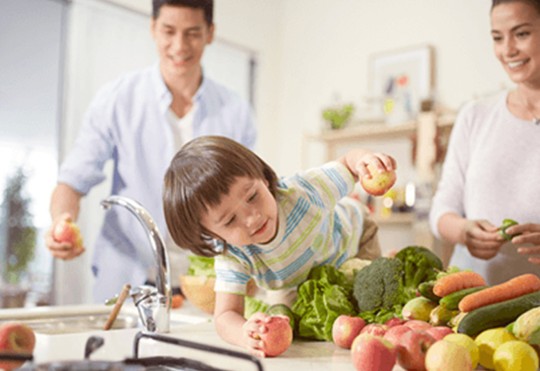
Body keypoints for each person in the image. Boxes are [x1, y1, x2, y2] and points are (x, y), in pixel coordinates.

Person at [45, 0, 257, 303]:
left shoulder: (235, 111)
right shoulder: (117, 99)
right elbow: (73, 180)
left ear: (210, 33)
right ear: (153, 28)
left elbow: (246, 195)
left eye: (193, 33)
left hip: (205, 283)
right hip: (126, 278)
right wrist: (60, 223)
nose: (179, 46)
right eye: (168, 31)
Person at [162, 135, 394, 356]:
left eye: (253, 196)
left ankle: (393, 261)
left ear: (263, 178)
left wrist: (366, 160)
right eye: (230, 220)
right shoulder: (233, 255)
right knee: (287, 323)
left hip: (354, 241)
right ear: (212, 234)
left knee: (371, 308)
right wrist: (244, 333)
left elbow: (349, 163)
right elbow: (225, 315)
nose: (252, 218)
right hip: (301, 280)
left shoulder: (304, 191)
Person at [429, 0, 540, 285]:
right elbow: (442, 209)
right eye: (497, 38)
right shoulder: (475, 115)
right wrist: (464, 231)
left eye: (522, 34)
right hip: (467, 304)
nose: (507, 50)